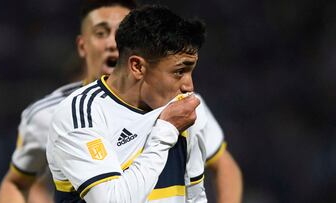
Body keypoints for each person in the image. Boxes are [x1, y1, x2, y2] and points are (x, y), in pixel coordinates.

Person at [46, 5, 242, 203]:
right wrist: (165, 132)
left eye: (191, 71)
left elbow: (194, 196)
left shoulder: (184, 114)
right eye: (179, 72)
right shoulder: (81, 115)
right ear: (137, 66)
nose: (188, 85)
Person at [0, 1, 136, 202]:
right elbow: (16, 183)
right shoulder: (46, 115)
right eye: (100, 33)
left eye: (123, 33)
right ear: (82, 46)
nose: (113, 43)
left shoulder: (176, 107)